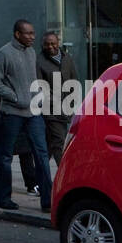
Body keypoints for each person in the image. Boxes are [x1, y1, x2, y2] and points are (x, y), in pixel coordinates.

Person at [0, 20, 51, 212]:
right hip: (12, 113)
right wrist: (14, 97)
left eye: (33, 33)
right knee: (5, 156)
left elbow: (33, 79)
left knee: (41, 154)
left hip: (33, 113)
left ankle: (47, 201)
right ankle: (3, 199)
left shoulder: (31, 53)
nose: (33, 37)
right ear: (17, 34)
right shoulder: (4, 54)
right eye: (28, 33)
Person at [36, 31, 78, 167]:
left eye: (53, 43)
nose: (50, 47)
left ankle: (38, 178)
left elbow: (74, 80)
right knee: (59, 142)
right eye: (47, 44)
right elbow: (39, 86)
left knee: (49, 145)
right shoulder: (39, 61)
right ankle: (64, 175)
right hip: (51, 110)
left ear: (58, 43)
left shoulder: (67, 58)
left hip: (66, 108)